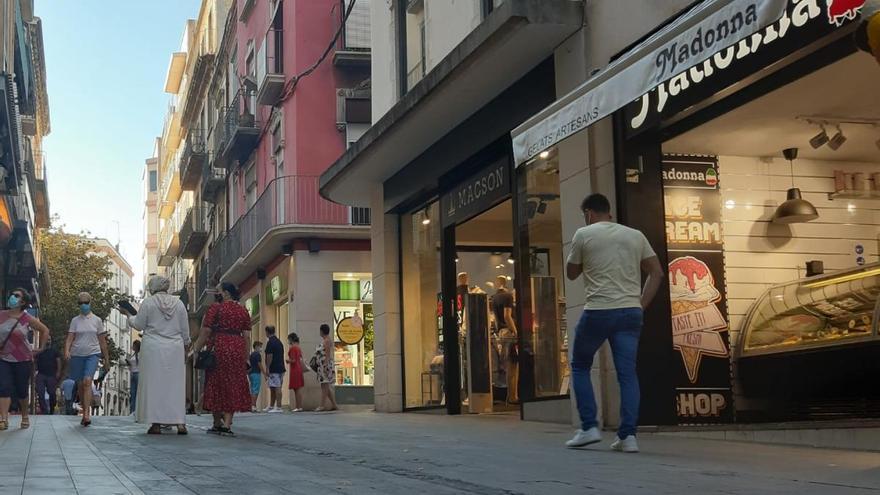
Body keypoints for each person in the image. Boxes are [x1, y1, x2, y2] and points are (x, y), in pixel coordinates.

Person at [564, 193, 664, 453]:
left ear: (588, 213)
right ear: (608, 212)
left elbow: (572, 274)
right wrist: (640, 305)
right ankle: (628, 436)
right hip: (630, 312)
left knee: (580, 365)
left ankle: (588, 427)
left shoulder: (584, 234)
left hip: (598, 311)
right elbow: (656, 272)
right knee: (627, 374)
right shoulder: (635, 235)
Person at [122, 276, 191, 435]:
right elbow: (185, 330)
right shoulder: (179, 303)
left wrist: (128, 315)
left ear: (153, 287)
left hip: (153, 348)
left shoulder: (148, 302)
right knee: (175, 386)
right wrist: (186, 347)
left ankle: (156, 424)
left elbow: (139, 324)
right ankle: (180, 423)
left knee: (155, 386)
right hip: (174, 348)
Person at [191, 282, 252, 435]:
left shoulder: (216, 309)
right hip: (237, 348)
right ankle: (228, 423)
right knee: (233, 384)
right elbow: (246, 336)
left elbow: (206, 331)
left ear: (225, 293)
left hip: (220, 346)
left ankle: (217, 422)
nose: (216, 294)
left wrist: (196, 349)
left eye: (218, 291)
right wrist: (247, 356)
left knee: (215, 383)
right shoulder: (243, 310)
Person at [0, 289, 49, 430]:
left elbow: (45, 330)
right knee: (4, 387)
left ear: (23, 302)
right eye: (12, 295)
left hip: (23, 359)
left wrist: (40, 348)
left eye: (16, 296)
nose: (12, 297)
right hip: (3, 358)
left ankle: (25, 416)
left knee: (22, 390)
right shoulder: (1, 315)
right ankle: (3, 419)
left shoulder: (26, 318)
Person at [65, 292, 110, 427]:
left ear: (90, 303)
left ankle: (87, 414)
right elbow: (69, 338)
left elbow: (102, 342)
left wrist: (106, 359)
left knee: (87, 381)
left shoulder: (97, 321)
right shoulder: (75, 321)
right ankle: (84, 410)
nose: (83, 305)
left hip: (93, 354)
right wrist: (67, 351)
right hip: (77, 354)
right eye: (81, 303)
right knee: (80, 384)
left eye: (86, 302)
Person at [491, 276, 518, 405]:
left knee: (509, 364)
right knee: (513, 365)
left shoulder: (494, 298)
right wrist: (515, 331)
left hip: (501, 331)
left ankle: (511, 396)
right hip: (509, 332)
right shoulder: (508, 296)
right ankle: (513, 396)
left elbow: (496, 320)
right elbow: (507, 316)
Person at [314, 324, 338, 412]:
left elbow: (327, 354)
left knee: (324, 385)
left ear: (322, 331)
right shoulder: (325, 340)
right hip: (322, 364)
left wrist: (325, 365)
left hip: (325, 365)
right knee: (325, 385)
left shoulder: (327, 341)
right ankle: (334, 404)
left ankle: (322, 405)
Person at [34, 336, 62, 415]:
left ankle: (52, 409)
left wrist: (58, 372)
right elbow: (34, 361)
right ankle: (44, 411)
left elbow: (58, 361)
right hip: (41, 374)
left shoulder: (54, 351)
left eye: (49, 339)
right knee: (40, 392)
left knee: (52, 393)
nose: (47, 341)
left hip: (51, 375)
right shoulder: (39, 351)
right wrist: (34, 372)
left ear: (51, 341)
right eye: (46, 339)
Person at [263, 326, 285, 413]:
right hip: (280, 367)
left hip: (274, 368)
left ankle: (279, 407)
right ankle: (271, 406)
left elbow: (269, 356)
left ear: (267, 332)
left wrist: (267, 368)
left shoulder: (270, 343)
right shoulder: (279, 342)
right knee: (273, 386)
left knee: (277, 387)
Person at [286, 333, 307, 412]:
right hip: (299, 369)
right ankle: (299, 406)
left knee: (296, 389)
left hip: (294, 370)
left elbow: (293, 360)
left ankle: (298, 407)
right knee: (298, 388)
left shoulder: (292, 348)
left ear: (291, 339)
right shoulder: (298, 348)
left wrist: (288, 361)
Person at [248, 341, 266, 412]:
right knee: (255, 390)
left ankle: (252, 405)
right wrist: (264, 373)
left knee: (252, 389)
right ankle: (253, 406)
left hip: (251, 373)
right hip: (256, 373)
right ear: (256, 346)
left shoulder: (251, 354)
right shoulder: (257, 354)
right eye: (260, 346)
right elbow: (259, 364)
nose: (261, 348)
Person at [126, 340, 140, 414]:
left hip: (138, 373)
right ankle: (132, 411)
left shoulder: (140, 354)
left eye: (134, 345)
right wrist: (128, 362)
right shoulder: (133, 355)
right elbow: (131, 365)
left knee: (137, 393)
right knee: (132, 393)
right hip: (132, 374)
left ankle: (136, 411)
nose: (132, 347)